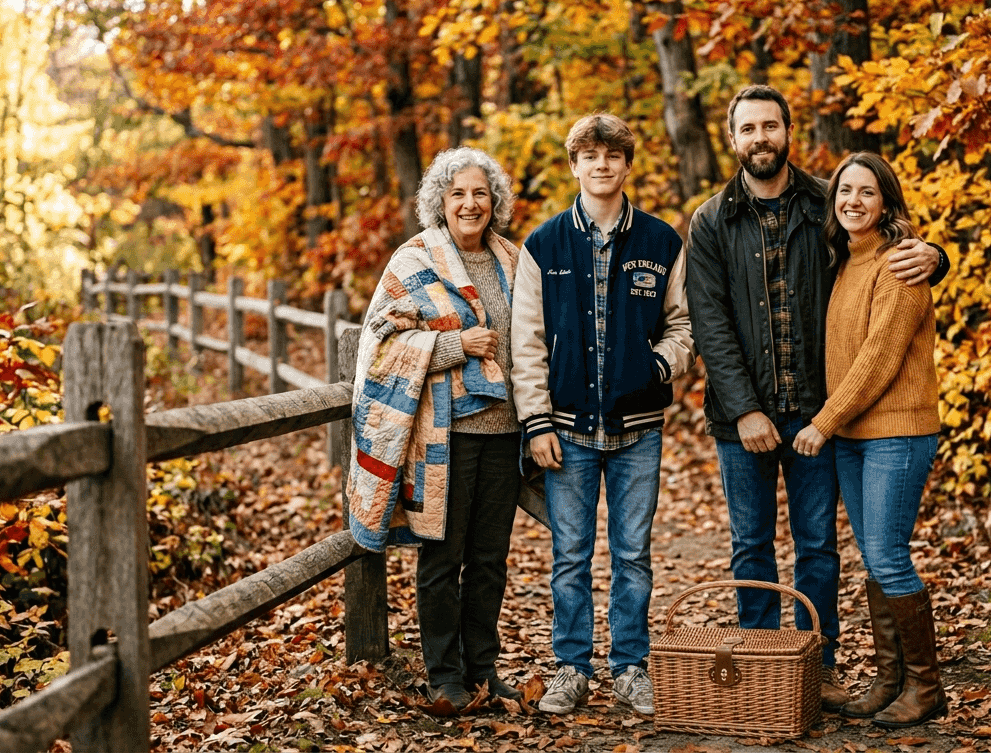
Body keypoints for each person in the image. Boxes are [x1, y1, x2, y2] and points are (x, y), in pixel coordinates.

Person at [685, 84, 948, 710]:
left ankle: (818, 664)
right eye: (748, 129)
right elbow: (709, 321)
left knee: (817, 547)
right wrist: (746, 408)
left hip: (816, 413)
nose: (760, 138)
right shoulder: (710, 220)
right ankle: (755, 665)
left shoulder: (822, 205)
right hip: (742, 417)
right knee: (750, 544)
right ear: (732, 138)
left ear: (787, 131)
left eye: (770, 126)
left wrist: (937, 256)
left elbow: (882, 252)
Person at [511, 113, 694, 716]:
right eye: (590, 155)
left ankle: (631, 668)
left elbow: (683, 324)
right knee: (570, 554)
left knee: (633, 553)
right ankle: (571, 667)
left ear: (627, 164)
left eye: (613, 155)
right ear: (575, 166)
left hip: (638, 429)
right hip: (565, 430)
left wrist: (657, 367)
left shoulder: (662, 241)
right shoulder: (544, 245)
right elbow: (528, 341)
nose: (602, 165)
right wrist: (536, 421)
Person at [346, 147, 523, 714]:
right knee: (443, 559)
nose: (470, 204)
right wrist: (452, 346)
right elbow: (380, 344)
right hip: (443, 437)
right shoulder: (412, 260)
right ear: (439, 203)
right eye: (458, 194)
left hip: (505, 432)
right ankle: (445, 675)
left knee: (491, 559)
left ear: (494, 201)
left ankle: (483, 669)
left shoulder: (513, 260)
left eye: (479, 193)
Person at [791, 151, 946, 728]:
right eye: (844, 192)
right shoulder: (847, 261)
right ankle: (890, 680)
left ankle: (926, 688)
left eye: (866, 192)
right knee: (876, 558)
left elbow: (879, 359)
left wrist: (822, 422)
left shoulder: (900, 265)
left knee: (887, 556)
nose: (853, 201)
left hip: (897, 433)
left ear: (887, 202)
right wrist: (838, 426)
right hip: (857, 435)